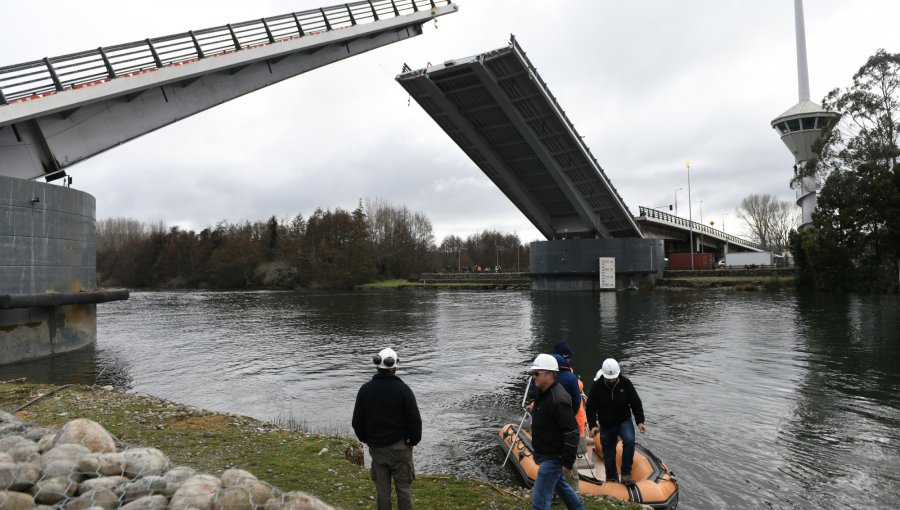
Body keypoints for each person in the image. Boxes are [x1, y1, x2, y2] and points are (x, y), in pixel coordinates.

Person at [352, 348, 422, 510]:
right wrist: (413, 440)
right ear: (394, 367)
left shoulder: (365, 390)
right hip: (400, 448)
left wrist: (367, 439)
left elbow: (357, 422)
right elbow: (414, 421)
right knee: (403, 489)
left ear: (377, 366)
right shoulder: (403, 390)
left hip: (377, 448)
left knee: (382, 491)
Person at [528, 354, 585, 510]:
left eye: (537, 373)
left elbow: (572, 432)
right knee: (563, 490)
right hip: (545, 453)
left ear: (550, 374)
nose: (534, 377)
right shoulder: (542, 393)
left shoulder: (558, 399)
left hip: (553, 457)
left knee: (539, 502)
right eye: (534, 373)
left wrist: (567, 462)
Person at [584, 358, 646, 485]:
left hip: (624, 421)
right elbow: (590, 407)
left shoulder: (626, 384)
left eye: (613, 377)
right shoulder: (597, 387)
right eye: (609, 378)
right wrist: (593, 425)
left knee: (629, 441)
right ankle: (611, 477)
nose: (611, 380)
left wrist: (640, 421)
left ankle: (626, 474)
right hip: (606, 424)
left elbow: (636, 402)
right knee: (608, 451)